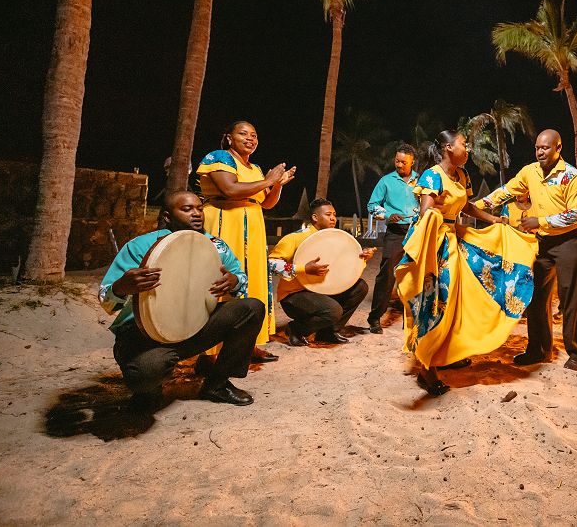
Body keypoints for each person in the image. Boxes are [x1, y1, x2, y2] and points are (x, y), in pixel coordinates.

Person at [395, 130, 538, 396]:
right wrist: (436, 222)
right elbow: (426, 212)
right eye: (464, 144)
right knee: (436, 303)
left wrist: (494, 220)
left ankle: (448, 354)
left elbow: (466, 206)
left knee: (459, 301)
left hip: (453, 239)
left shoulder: (462, 175)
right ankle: (427, 370)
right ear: (449, 148)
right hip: (434, 245)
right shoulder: (433, 176)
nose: (468, 149)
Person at [99, 191, 265, 407]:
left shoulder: (216, 246)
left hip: (195, 326)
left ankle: (217, 384)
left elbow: (240, 278)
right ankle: (149, 389)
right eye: (187, 209)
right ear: (167, 216)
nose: (196, 213)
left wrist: (234, 281)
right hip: (144, 335)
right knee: (143, 374)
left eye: (199, 208)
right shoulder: (140, 246)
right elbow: (107, 301)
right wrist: (121, 287)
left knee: (252, 308)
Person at [478, 129, 577, 371]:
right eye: (537, 147)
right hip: (543, 241)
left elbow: (576, 214)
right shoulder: (530, 172)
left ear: (558, 148)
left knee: (571, 297)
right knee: (535, 296)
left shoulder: (572, 177)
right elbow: (506, 192)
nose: (540, 152)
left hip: (570, 240)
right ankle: (538, 350)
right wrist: (474, 206)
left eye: (545, 148)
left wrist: (539, 221)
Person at [196, 120, 295, 363]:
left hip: (253, 227)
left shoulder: (256, 168)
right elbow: (230, 189)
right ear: (229, 137)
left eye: (254, 135)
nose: (250, 138)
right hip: (225, 224)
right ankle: (209, 352)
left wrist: (277, 185)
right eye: (243, 133)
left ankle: (248, 343)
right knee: (222, 280)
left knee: (253, 282)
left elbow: (267, 202)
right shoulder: (219, 157)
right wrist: (269, 181)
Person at [268, 198, 377, 346]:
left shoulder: (335, 240)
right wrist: (303, 268)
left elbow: (342, 268)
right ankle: (296, 329)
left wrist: (362, 258)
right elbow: (272, 264)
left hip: (321, 291)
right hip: (294, 296)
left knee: (360, 287)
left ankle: (328, 332)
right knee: (333, 310)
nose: (333, 218)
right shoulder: (295, 238)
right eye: (328, 214)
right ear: (315, 217)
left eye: (334, 214)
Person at [365, 143, 420, 333]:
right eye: (397, 161)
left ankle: (413, 317)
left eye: (403, 162)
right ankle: (374, 318)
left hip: (417, 232)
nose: (399, 164)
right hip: (395, 232)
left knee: (417, 273)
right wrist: (388, 214)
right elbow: (372, 205)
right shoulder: (386, 181)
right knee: (387, 272)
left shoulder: (421, 180)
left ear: (412, 162)